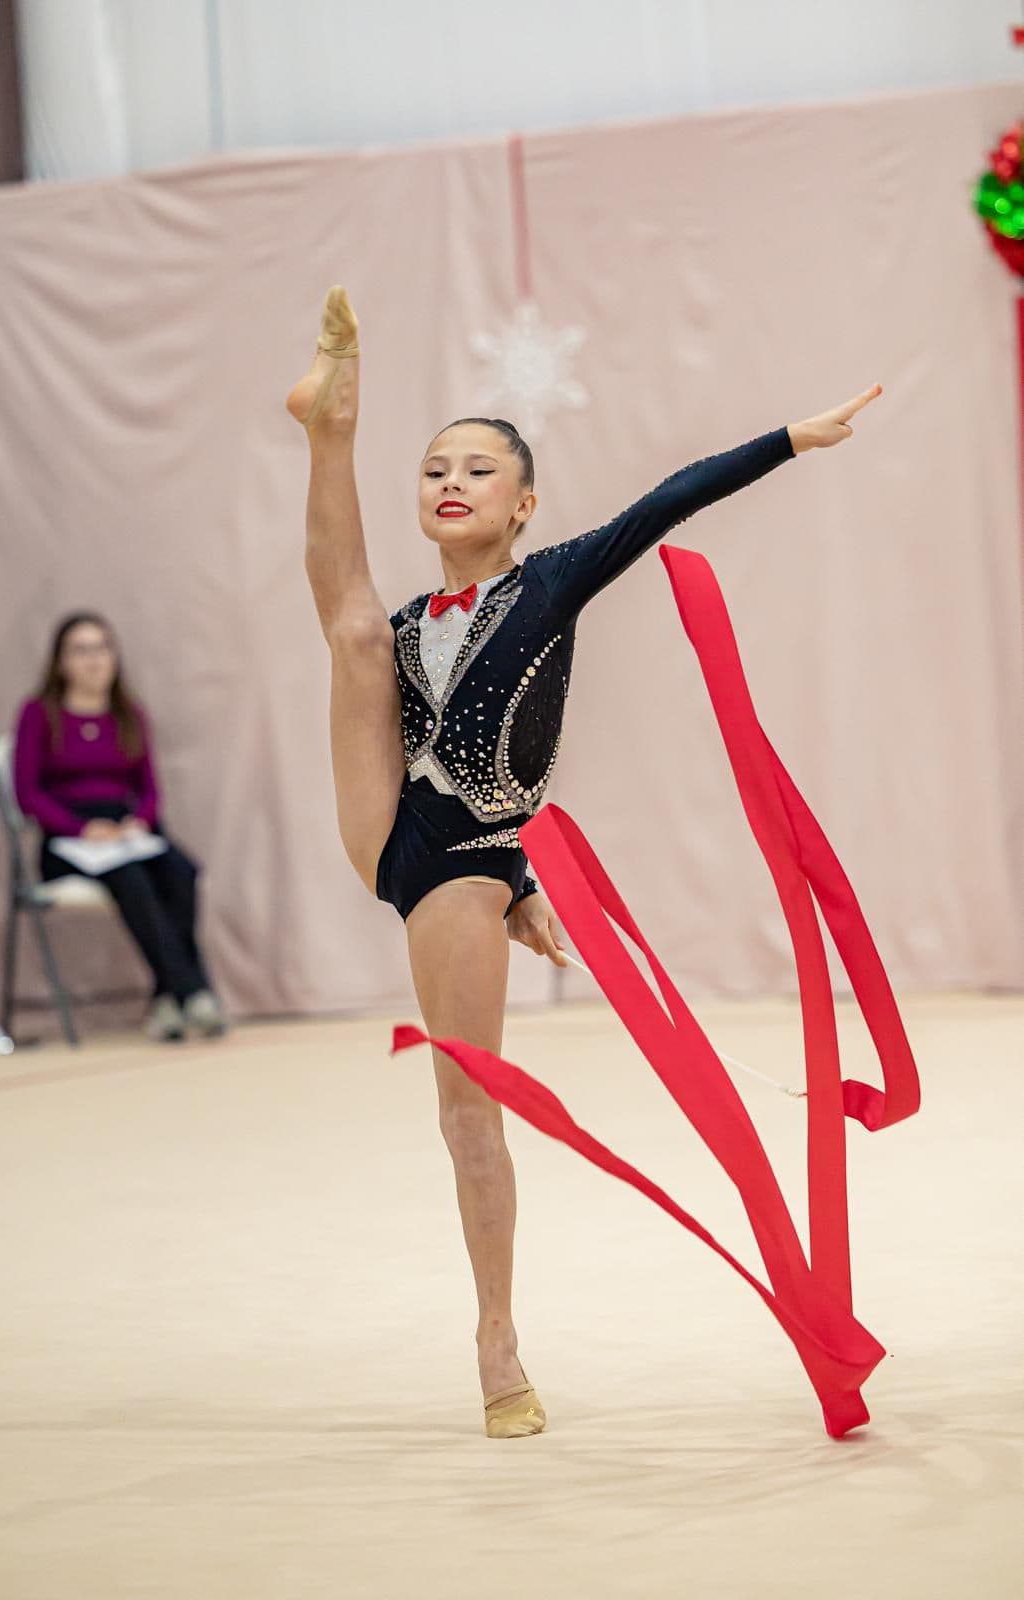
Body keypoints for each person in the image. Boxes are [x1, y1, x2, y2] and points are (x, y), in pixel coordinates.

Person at [286, 285, 880, 1438]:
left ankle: (495, 1336)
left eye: (476, 469)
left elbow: (664, 501)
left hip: (465, 859)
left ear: (523, 504)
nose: (450, 481)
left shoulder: (551, 581)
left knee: (468, 1108)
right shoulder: (405, 624)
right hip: (397, 826)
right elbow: (403, 731)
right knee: (352, 632)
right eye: (433, 469)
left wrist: (789, 440)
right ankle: (330, 424)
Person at [12, 612, 227, 1043]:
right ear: (61, 661)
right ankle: (193, 991)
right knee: (130, 878)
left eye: (102, 648)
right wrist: (80, 829)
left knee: (181, 871)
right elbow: (28, 793)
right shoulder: (39, 715)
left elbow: (149, 789)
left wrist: (137, 823)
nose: (94, 660)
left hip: (126, 831)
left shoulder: (128, 715)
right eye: (81, 650)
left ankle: (167, 998)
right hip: (69, 839)